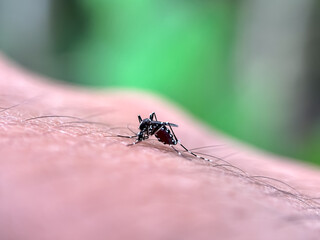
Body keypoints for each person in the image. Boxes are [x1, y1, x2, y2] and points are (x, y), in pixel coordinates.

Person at [0, 54, 319, 240]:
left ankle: (182, 149)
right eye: (144, 130)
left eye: (144, 129)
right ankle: (182, 150)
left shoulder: (154, 127)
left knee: (159, 124)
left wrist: (167, 144)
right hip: (164, 132)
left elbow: (157, 125)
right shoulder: (148, 122)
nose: (145, 128)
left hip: (168, 134)